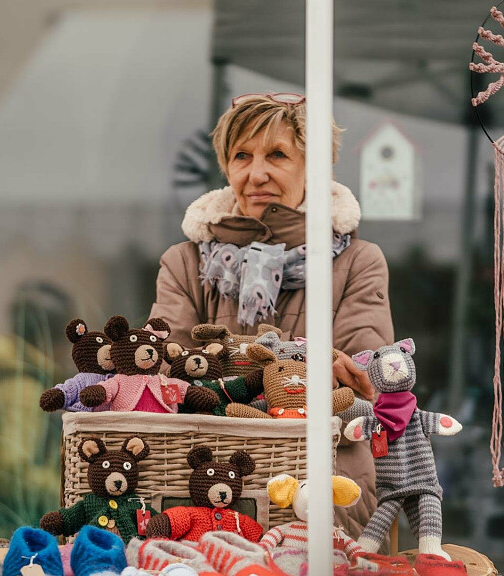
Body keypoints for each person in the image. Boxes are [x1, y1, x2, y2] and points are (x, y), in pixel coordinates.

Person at [150, 92, 394, 540]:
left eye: (277, 155)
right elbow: (163, 379)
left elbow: (367, 383)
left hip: (323, 481)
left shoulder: (358, 262)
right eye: (241, 155)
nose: (256, 173)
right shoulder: (183, 263)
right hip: (205, 481)